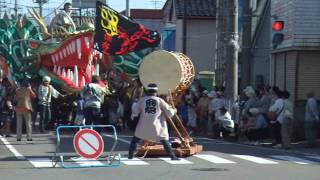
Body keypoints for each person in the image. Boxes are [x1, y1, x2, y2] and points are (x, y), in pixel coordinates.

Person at [128, 83, 179, 160]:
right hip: (157, 127)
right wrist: (174, 110)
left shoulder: (142, 100)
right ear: (156, 92)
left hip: (143, 126)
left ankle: (130, 155)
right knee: (164, 139)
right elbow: (169, 113)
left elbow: (135, 111)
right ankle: (172, 156)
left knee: (135, 139)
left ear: (147, 91)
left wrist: (135, 102)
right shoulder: (160, 101)